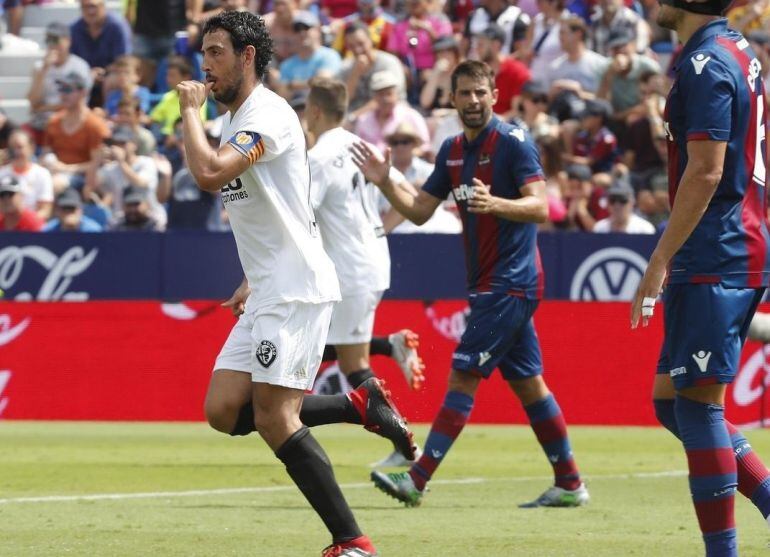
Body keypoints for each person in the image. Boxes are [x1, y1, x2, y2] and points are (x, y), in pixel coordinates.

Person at [178, 11, 410, 556]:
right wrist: (249, 278)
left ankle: (352, 541)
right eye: (203, 54)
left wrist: (189, 112)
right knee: (224, 411)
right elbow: (284, 210)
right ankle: (356, 405)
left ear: (248, 56)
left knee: (274, 417)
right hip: (269, 285)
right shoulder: (239, 119)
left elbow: (210, 173)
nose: (205, 66)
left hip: (296, 288)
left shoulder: (269, 116)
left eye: (216, 52)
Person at [354, 60, 588, 508]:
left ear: (494, 95)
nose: (474, 101)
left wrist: (494, 202)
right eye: (465, 94)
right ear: (454, 99)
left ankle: (416, 479)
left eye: (481, 93)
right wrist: (385, 180)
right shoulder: (452, 150)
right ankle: (570, 482)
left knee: (463, 374)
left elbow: (540, 207)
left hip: (511, 280)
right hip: (489, 282)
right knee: (529, 385)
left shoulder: (515, 143)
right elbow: (420, 209)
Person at [631, 2, 770, 556]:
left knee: (696, 406)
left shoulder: (707, 64)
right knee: (671, 402)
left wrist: (659, 258)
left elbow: (708, 169)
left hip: (716, 250)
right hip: (734, 243)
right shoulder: (739, 51)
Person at [303, 77, 424, 468]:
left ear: (315, 111)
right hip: (371, 261)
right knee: (322, 349)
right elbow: (411, 200)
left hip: (348, 271)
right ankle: (390, 346)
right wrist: (375, 232)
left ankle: (406, 447)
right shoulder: (366, 147)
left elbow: (301, 217)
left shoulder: (319, 158)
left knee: (351, 365)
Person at [27, 22, 92, 135]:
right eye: (49, 40)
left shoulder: (79, 67)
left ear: (68, 41)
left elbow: (77, 103)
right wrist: (43, 71)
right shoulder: (39, 67)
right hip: (41, 122)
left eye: (56, 40)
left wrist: (42, 108)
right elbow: (33, 101)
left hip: (68, 121)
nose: (52, 45)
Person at [353, 70, 430, 154]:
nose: (385, 99)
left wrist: (407, 153)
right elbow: (356, 148)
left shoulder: (411, 116)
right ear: (374, 97)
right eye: (381, 94)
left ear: (397, 94)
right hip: (370, 165)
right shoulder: (364, 120)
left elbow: (425, 146)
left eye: (389, 94)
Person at [336, 21, 406, 114]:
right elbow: (342, 102)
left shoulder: (389, 62)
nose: (357, 50)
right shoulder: (346, 67)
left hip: (389, 113)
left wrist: (355, 117)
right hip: (355, 117)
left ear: (370, 40)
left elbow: (389, 98)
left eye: (361, 43)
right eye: (352, 46)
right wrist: (355, 73)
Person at [277, 11, 342, 101]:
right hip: (295, 111)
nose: (301, 32)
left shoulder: (330, 55)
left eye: (306, 27)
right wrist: (310, 83)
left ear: (318, 30)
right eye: (297, 29)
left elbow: (323, 84)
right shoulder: (286, 65)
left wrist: (292, 85)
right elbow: (282, 96)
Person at [0, 130, 54, 221]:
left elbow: (45, 210)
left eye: (19, 147)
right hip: (5, 228)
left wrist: (25, 222)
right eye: (12, 148)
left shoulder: (42, 174)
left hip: (31, 229)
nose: (16, 152)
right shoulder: (2, 174)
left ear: (31, 148)